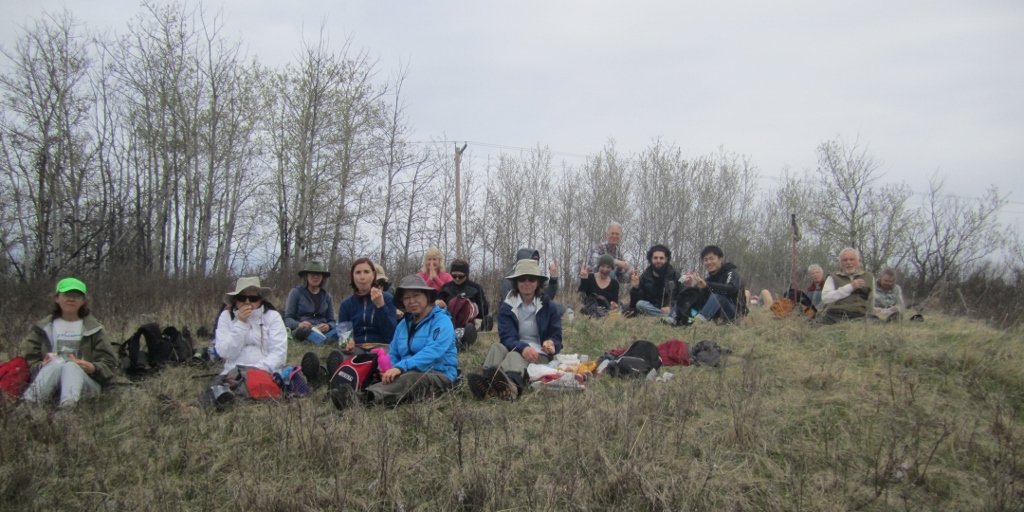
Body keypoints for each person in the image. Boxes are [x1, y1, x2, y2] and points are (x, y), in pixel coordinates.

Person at [333, 275, 458, 409]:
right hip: (405, 372)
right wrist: (388, 369)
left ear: (427, 296)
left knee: (410, 378)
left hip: (439, 374)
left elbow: (433, 351)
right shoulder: (403, 325)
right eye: (406, 298)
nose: (412, 301)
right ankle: (342, 389)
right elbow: (394, 352)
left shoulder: (441, 320)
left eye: (416, 295)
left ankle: (361, 399)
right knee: (377, 370)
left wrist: (400, 367)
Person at [467, 259, 562, 400]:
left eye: (531, 279)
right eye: (522, 279)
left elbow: (556, 337)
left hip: (539, 355)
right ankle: (487, 383)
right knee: (497, 347)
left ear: (538, 283)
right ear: (516, 282)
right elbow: (507, 337)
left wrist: (552, 343)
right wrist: (523, 347)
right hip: (515, 347)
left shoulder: (549, 306)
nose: (527, 283)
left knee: (514, 356)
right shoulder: (507, 306)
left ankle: (511, 388)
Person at [22, 278, 118, 410]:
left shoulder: (95, 329)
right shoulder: (41, 329)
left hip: (86, 385)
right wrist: (41, 365)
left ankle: (67, 409)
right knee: (55, 364)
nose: (71, 299)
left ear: (83, 301)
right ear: (57, 298)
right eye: (67, 295)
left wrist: (93, 368)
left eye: (77, 296)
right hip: (49, 381)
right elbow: (30, 362)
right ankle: (28, 407)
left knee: (71, 366)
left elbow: (110, 364)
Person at [213, 277, 288, 376]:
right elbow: (224, 352)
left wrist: (256, 370)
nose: (247, 302)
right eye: (242, 298)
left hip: (265, 373)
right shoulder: (226, 316)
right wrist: (241, 324)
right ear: (235, 300)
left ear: (260, 300)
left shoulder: (273, 316)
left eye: (253, 299)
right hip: (233, 373)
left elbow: (279, 353)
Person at [671, 245, 747, 325]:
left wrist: (707, 285)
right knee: (688, 295)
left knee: (718, 294)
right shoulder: (709, 279)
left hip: (734, 314)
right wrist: (693, 287)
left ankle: (699, 323)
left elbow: (732, 288)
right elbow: (702, 297)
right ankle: (671, 319)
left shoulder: (731, 273)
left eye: (712, 259)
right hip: (716, 315)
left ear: (720, 259)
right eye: (705, 260)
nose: (709, 262)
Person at [337, 258, 398, 353]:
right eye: (358, 272)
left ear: (373, 275)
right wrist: (346, 344)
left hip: (382, 347)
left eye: (366, 272)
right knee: (344, 357)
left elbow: (391, 334)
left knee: (382, 359)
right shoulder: (346, 304)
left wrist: (380, 306)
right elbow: (344, 335)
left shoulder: (387, 299)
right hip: (356, 348)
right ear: (352, 276)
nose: (362, 277)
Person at [284, 261, 337, 344]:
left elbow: (332, 321)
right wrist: (298, 324)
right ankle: (326, 341)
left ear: (322, 277)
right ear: (306, 276)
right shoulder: (296, 292)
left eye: (319, 275)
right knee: (302, 331)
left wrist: (328, 326)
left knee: (343, 326)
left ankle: (320, 340)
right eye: (312, 274)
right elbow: (288, 318)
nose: (315, 277)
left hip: (322, 330)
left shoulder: (327, 297)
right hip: (304, 330)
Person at [819, 248, 875, 324]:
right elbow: (826, 298)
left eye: (852, 259)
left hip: (860, 316)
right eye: (845, 260)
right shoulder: (833, 277)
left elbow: (872, 301)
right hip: (835, 316)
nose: (848, 262)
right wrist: (850, 287)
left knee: (877, 321)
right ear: (840, 263)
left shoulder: (869, 277)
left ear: (859, 261)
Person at [628, 244, 680, 317]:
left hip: (671, 309)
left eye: (661, 258)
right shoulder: (645, 277)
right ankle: (664, 315)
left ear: (666, 259)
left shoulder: (675, 275)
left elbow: (682, 297)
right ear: (651, 259)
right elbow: (635, 304)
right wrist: (636, 288)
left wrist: (671, 306)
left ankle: (667, 315)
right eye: (655, 258)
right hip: (652, 308)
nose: (658, 261)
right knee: (640, 304)